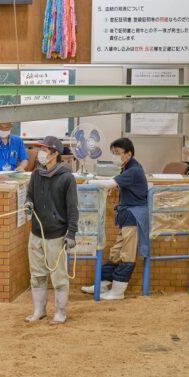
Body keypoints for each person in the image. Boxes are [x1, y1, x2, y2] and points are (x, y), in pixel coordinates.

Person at [83, 137, 148, 300]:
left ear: (128, 154)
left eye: (117, 153)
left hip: (134, 217)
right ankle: (103, 284)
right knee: (115, 252)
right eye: (113, 153)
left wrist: (90, 181)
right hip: (127, 216)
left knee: (127, 254)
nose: (114, 157)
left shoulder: (133, 170)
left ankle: (118, 291)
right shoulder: (126, 168)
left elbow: (108, 184)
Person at [23, 136, 78, 324]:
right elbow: (29, 195)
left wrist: (71, 233)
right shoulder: (36, 175)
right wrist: (28, 204)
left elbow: (72, 208)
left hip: (56, 234)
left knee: (59, 276)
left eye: (45, 150)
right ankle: (39, 310)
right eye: (41, 150)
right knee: (36, 274)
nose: (41, 154)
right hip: (36, 232)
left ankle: (60, 312)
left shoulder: (66, 177)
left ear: (55, 154)